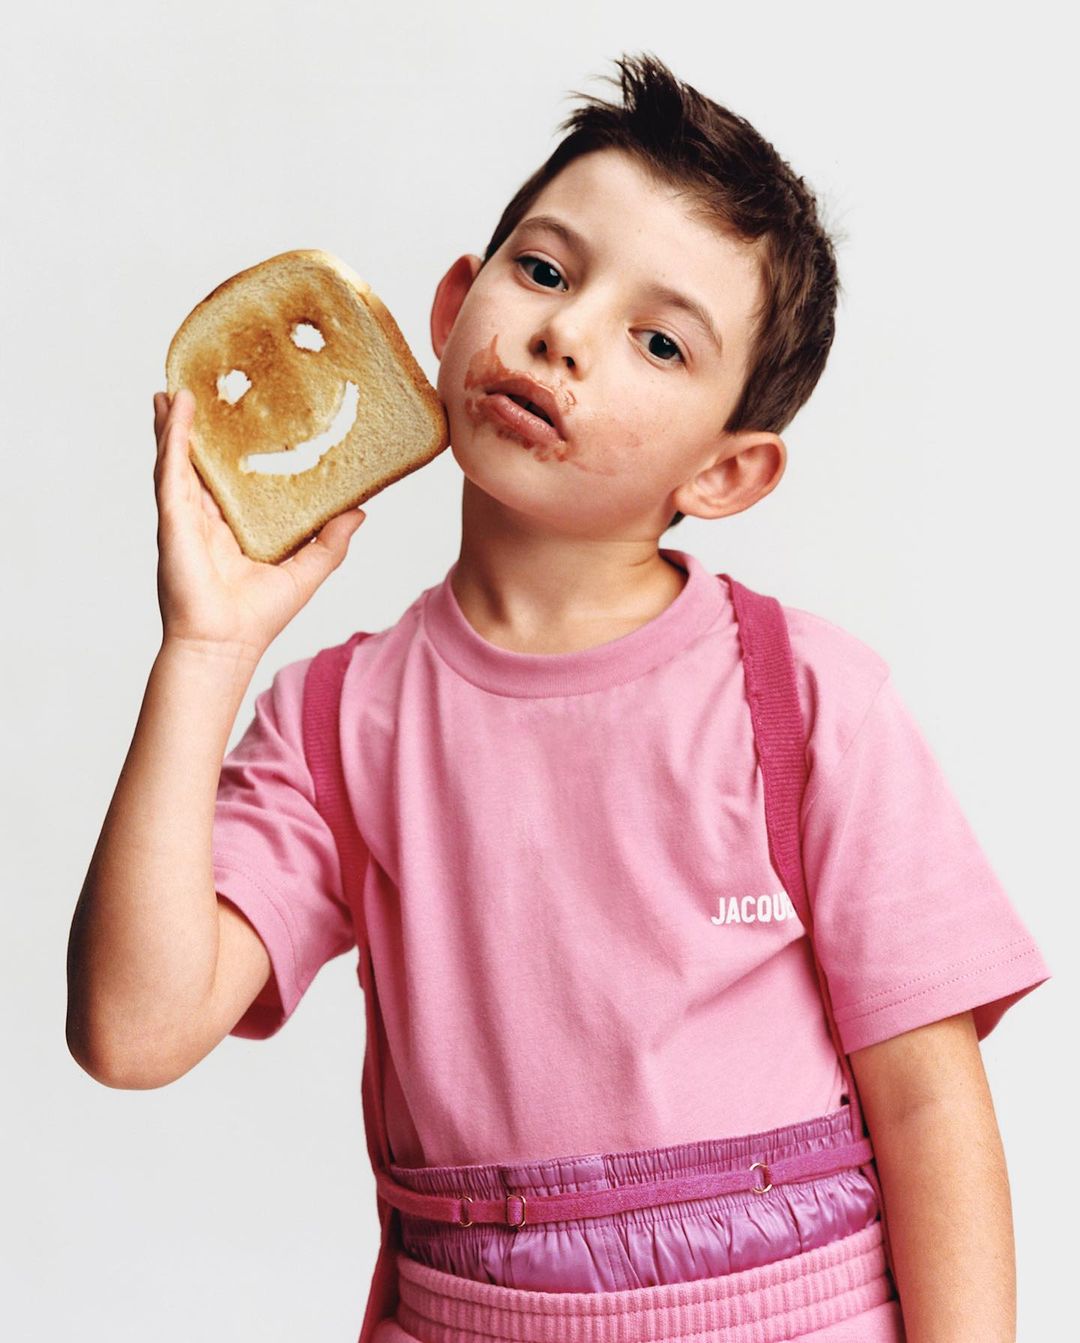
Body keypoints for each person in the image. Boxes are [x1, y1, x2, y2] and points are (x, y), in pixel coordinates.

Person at [67, 52, 1049, 1343]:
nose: (565, 335)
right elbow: (131, 1031)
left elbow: (932, 1112)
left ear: (730, 471)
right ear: (453, 305)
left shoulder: (805, 699)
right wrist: (205, 649)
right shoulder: (339, 716)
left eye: (657, 341)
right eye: (544, 272)